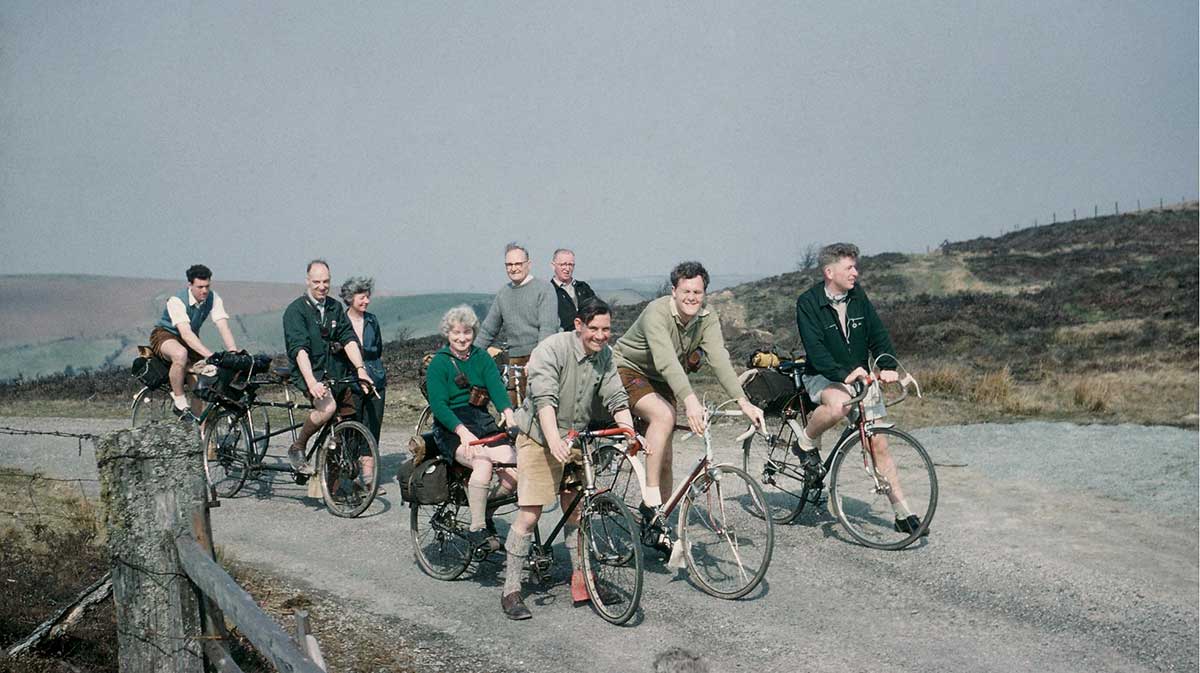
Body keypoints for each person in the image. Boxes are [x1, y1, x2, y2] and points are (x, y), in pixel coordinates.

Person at [612, 261, 765, 550]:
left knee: (665, 457)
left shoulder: (706, 317)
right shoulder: (657, 312)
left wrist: (744, 401)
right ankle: (652, 504)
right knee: (664, 414)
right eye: (686, 291)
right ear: (674, 291)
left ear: (705, 293)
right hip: (628, 370)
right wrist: (690, 401)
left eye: (698, 291)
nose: (692, 297)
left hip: (662, 378)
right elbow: (666, 360)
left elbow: (718, 358)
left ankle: (656, 523)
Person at [500, 299, 637, 620]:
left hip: (573, 438)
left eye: (606, 329)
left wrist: (629, 429)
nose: (601, 336)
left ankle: (582, 580)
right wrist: (552, 440)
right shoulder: (553, 349)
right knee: (530, 514)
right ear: (578, 325)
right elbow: (544, 399)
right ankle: (510, 590)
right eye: (594, 329)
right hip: (537, 437)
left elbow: (616, 396)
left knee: (576, 511)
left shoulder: (604, 356)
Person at [794, 242, 926, 536]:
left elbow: (878, 334)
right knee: (839, 405)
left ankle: (902, 512)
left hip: (859, 377)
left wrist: (888, 365)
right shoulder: (808, 302)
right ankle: (805, 441)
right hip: (823, 375)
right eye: (849, 267)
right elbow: (816, 351)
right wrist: (843, 373)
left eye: (856, 266)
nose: (856, 272)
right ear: (830, 272)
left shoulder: (858, 297)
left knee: (878, 443)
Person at [425, 305, 517, 550]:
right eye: (456, 333)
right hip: (450, 426)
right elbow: (439, 405)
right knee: (483, 462)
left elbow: (497, 389)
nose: (462, 338)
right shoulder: (439, 363)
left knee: (513, 468)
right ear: (448, 334)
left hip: (480, 420)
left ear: (474, 333)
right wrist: (461, 431)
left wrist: (508, 413)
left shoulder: (481, 357)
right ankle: (478, 527)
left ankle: (484, 506)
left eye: (467, 332)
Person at [281, 260, 374, 477]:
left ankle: (336, 481)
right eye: (317, 282)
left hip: (335, 372)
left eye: (326, 281)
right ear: (307, 281)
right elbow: (299, 350)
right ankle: (298, 446)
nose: (322, 286)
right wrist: (311, 382)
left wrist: (361, 369)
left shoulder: (334, 307)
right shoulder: (296, 311)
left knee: (349, 416)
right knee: (328, 408)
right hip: (309, 372)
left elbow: (348, 338)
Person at [149, 264, 238, 423]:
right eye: (200, 287)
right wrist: (211, 355)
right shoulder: (177, 301)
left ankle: (200, 432)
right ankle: (179, 400)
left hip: (190, 338)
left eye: (207, 286)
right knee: (180, 354)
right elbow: (186, 334)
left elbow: (223, 325)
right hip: (166, 335)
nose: (204, 291)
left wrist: (233, 352)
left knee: (200, 387)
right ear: (190, 285)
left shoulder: (213, 298)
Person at [475, 242, 560, 402]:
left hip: (543, 357)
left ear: (528, 264)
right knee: (515, 412)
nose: (513, 268)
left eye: (518, 264)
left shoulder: (544, 289)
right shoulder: (503, 294)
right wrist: (470, 356)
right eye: (509, 264)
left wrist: (537, 359)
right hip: (515, 361)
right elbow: (488, 330)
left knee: (545, 405)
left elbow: (547, 328)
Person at [341, 276, 386, 450]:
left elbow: (378, 348)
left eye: (368, 297)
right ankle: (350, 468)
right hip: (350, 381)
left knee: (373, 427)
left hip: (375, 378)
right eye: (362, 297)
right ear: (350, 298)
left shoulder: (372, 320)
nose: (367, 301)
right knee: (351, 426)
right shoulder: (341, 322)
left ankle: (369, 469)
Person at [549, 248, 597, 332]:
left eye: (570, 265)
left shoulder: (583, 288)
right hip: (563, 339)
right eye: (563, 264)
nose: (567, 269)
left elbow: (597, 310)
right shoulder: (548, 291)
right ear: (553, 265)